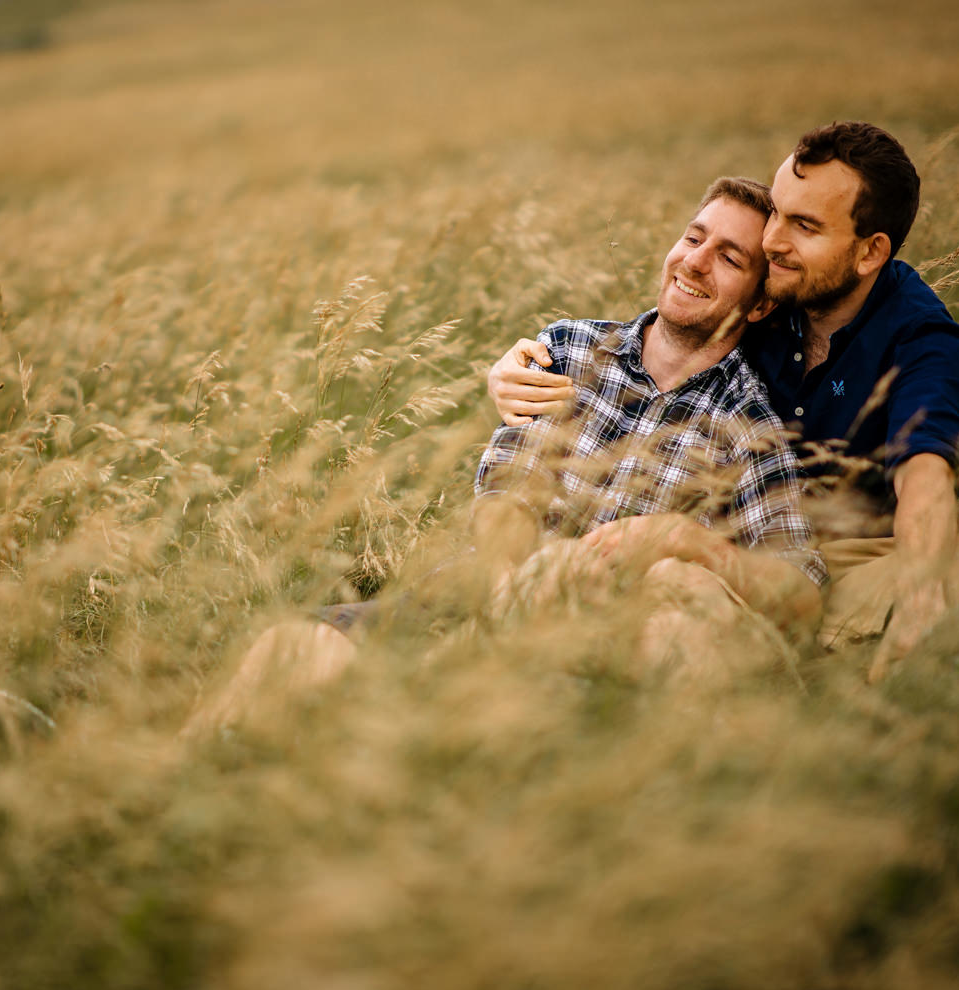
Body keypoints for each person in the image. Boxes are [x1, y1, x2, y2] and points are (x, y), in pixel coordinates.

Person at [183, 178, 826, 736]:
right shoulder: (570, 349)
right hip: (477, 595)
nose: (695, 261)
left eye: (728, 257)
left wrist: (689, 542)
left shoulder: (749, 424)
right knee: (292, 649)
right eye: (693, 237)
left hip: (599, 638)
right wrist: (505, 589)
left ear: (761, 302)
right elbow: (508, 490)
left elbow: (799, 585)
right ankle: (171, 790)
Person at [488, 122, 959, 680]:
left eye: (804, 225)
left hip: (846, 559)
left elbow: (925, 474)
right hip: (743, 548)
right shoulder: (778, 292)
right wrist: (518, 364)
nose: (774, 241)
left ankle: (900, 688)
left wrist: (920, 599)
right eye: (778, 211)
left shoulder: (919, 338)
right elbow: (674, 324)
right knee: (674, 590)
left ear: (869, 251)